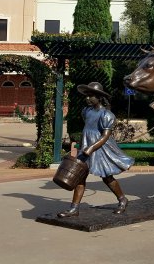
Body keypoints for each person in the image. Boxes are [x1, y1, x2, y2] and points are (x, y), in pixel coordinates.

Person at [57, 82, 134, 218]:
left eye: (90, 95)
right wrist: (84, 146)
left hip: (100, 149)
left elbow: (105, 136)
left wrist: (91, 147)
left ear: (99, 97)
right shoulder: (86, 111)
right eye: (86, 95)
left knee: (107, 177)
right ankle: (74, 208)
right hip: (86, 147)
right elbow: (88, 129)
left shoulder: (107, 115)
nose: (87, 98)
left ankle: (122, 199)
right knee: (80, 177)